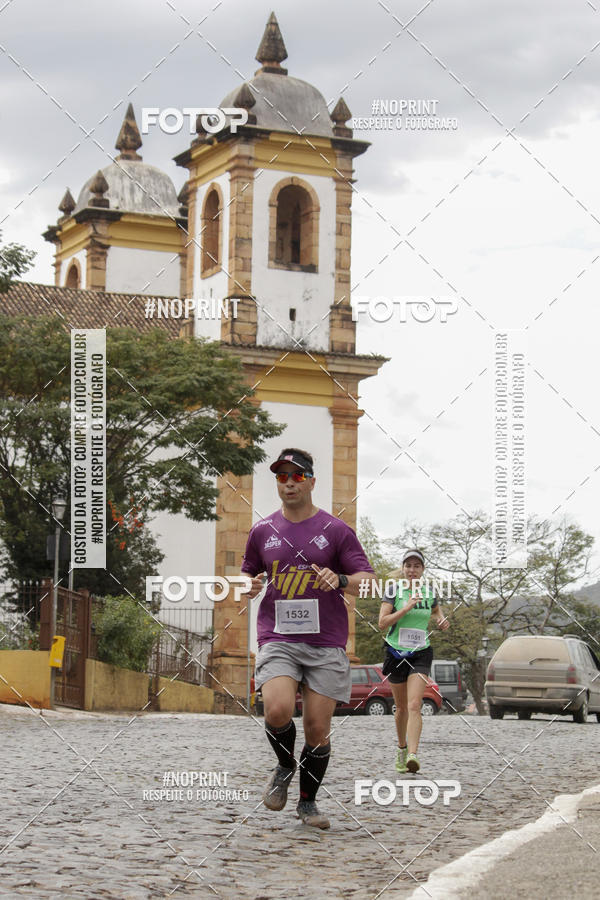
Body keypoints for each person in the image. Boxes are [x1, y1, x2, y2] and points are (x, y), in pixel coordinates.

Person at [242, 448, 375, 829]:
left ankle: (307, 803)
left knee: (317, 729)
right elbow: (247, 574)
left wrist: (342, 579)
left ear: (312, 481)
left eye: (297, 476)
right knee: (277, 710)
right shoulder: (262, 531)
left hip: (326, 641)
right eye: (282, 477)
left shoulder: (336, 531)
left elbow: (369, 583)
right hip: (278, 636)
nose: (288, 483)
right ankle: (285, 765)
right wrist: (247, 585)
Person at [378, 550, 449, 774]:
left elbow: (436, 611)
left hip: (421, 652)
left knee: (414, 705)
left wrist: (441, 619)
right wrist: (406, 608)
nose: (412, 570)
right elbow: (382, 622)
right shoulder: (393, 591)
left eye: (416, 566)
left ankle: (413, 755)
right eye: (408, 565)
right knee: (401, 709)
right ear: (403, 569)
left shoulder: (429, 593)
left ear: (422, 570)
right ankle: (401, 747)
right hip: (396, 652)